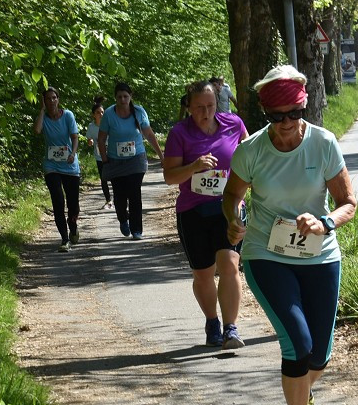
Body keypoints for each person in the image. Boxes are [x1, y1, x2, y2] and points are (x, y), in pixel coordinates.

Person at [223, 65, 357, 405]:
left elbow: (348, 202)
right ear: (266, 115)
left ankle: (304, 395)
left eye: (293, 115)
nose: (284, 124)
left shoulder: (323, 144)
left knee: (318, 355)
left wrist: (327, 221)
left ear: (304, 110)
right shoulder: (251, 151)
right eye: (275, 117)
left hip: (319, 255)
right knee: (296, 344)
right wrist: (234, 217)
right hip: (266, 254)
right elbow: (231, 196)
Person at [163, 81, 250, 348]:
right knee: (203, 273)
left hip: (229, 208)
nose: (206, 112)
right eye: (199, 107)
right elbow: (169, 176)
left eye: (211, 106)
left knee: (229, 264)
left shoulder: (233, 124)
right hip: (193, 211)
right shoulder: (179, 133)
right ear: (189, 107)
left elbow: (251, 158)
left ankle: (231, 328)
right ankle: (212, 321)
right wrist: (194, 166)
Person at [98, 81, 164, 240]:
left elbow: (149, 135)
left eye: (125, 96)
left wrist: (161, 156)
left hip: (136, 159)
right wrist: (105, 159)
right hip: (115, 160)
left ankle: (137, 230)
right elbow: (101, 139)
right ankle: (122, 218)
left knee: (134, 193)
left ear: (130, 96)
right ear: (115, 98)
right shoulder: (108, 114)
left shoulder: (139, 112)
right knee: (120, 196)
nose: (122, 100)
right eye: (119, 97)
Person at [33, 86, 81, 252]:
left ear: (58, 99)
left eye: (54, 98)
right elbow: (37, 130)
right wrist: (41, 110)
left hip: (69, 164)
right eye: (48, 99)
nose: (52, 101)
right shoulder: (44, 118)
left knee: (73, 204)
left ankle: (73, 225)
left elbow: (75, 138)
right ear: (44, 101)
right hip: (51, 165)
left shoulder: (67, 115)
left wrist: (73, 154)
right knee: (58, 201)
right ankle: (64, 239)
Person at [84, 96, 113, 210]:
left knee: (115, 177)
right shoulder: (91, 127)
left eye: (102, 112)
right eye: (98, 112)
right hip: (99, 156)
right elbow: (89, 140)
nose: (101, 114)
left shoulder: (109, 124)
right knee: (103, 178)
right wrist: (90, 141)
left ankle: (119, 198)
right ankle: (108, 200)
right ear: (93, 115)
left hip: (111, 154)